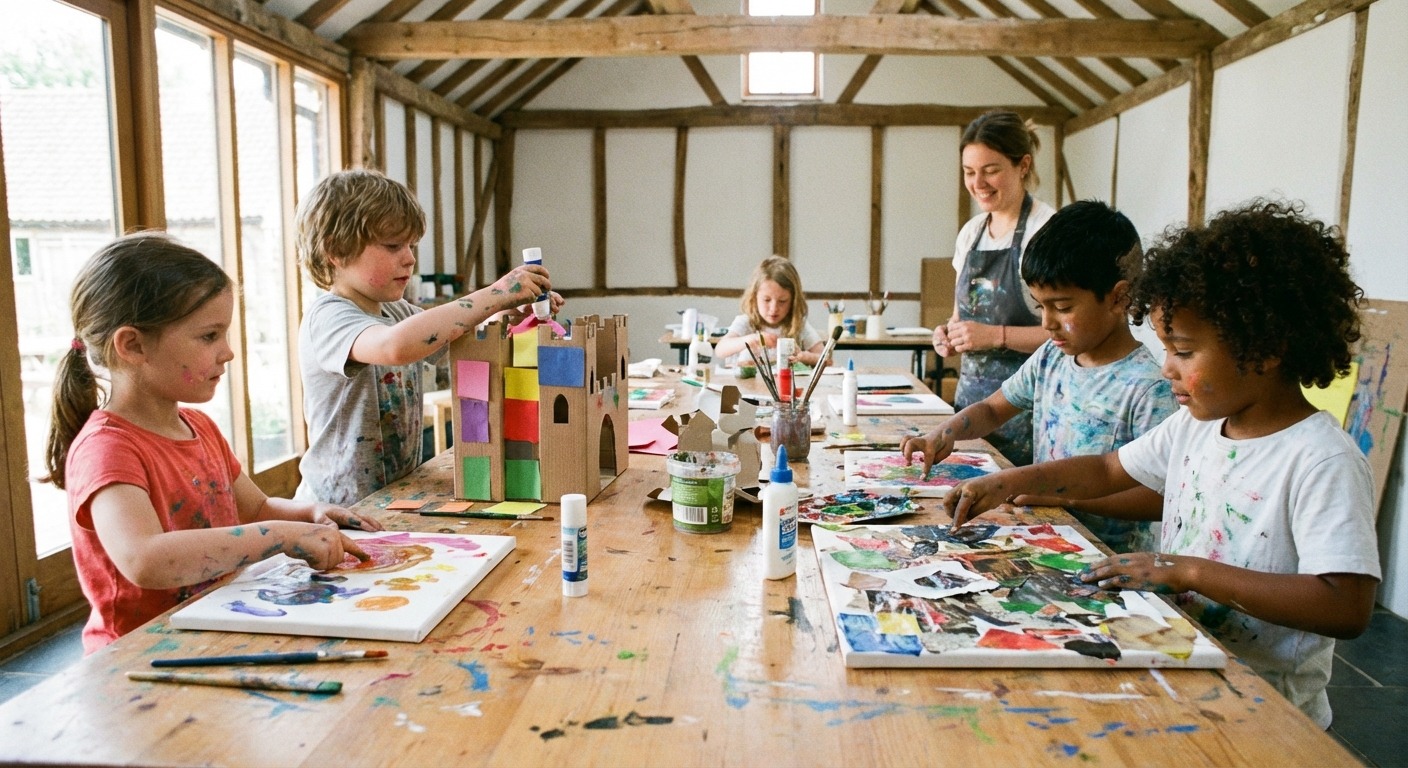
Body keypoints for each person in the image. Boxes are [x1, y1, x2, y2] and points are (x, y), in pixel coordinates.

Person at [944, 200, 1380, 728]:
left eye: (1185, 351)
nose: (1167, 367)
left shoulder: (1322, 459)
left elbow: (1345, 605)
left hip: (1267, 712)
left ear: (1266, 349)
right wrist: (1008, 481)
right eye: (1167, 347)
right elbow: (1107, 470)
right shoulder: (1196, 425)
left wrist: (1189, 571)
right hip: (1183, 664)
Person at [42, 232, 382, 654]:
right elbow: (145, 560)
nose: (227, 352)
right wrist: (279, 535)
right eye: (209, 336)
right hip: (141, 657)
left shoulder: (199, 426)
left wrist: (309, 514)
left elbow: (255, 509)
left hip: (214, 629)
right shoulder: (107, 449)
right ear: (133, 345)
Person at [902, 200, 1175, 553]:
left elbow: (1158, 497)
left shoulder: (1149, 387)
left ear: (1119, 298)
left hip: (1106, 558)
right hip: (1047, 538)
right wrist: (943, 433)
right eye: (1039, 306)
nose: (1047, 322)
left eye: (1062, 307)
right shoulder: (1052, 357)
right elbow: (993, 409)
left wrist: (1066, 499)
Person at [295, 169, 559, 506]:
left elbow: (460, 342)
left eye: (411, 245)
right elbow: (394, 346)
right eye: (393, 246)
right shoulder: (327, 317)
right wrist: (495, 293)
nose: (409, 258)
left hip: (390, 498)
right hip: (336, 508)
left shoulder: (397, 311)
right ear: (336, 250)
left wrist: (507, 313)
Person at [931, 110, 1058, 467]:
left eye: (990, 170)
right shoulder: (971, 233)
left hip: (1030, 412)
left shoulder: (1047, 231)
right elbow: (960, 316)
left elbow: (1066, 333)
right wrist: (947, 335)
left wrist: (995, 336)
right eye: (969, 172)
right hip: (972, 410)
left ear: (1023, 165)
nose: (978, 183)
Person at [714, 256, 828, 368]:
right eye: (766, 300)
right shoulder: (746, 322)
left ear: (794, 300)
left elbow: (825, 358)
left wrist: (802, 356)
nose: (773, 308)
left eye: (782, 301)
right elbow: (720, 350)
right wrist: (753, 339)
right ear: (754, 297)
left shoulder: (798, 324)